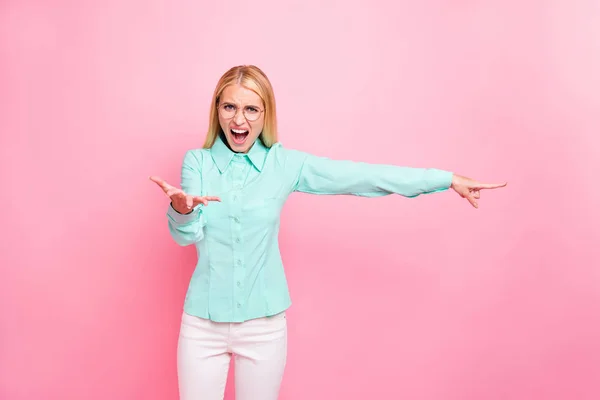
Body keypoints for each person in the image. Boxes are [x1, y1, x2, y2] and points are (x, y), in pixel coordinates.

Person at [150, 65, 506, 400]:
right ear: (217, 110)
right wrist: (182, 210)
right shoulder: (196, 162)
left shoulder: (284, 164)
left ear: (265, 113)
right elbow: (187, 235)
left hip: (264, 327)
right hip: (202, 326)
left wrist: (445, 180)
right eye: (229, 106)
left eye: (251, 109)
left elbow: (362, 175)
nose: (239, 119)